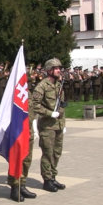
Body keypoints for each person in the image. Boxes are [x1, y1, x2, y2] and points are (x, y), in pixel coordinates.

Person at [32, 58, 66, 192]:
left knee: (57, 153)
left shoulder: (59, 85)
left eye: (59, 68)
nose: (59, 70)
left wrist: (63, 123)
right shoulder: (42, 86)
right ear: (49, 70)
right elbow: (35, 105)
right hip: (47, 126)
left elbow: (62, 105)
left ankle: (53, 176)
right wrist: (49, 113)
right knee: (48, 153)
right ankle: (47, 180)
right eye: (56, 68)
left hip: (58, 125)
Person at [8, 90, 38, 201]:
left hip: (28, 131)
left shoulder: (27, 92)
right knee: (17, 160)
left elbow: (31, 112)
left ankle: (22, 184)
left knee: (27, 160)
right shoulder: (13, 90)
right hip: (17, 133)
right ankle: (15, 187)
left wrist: (34, 128)